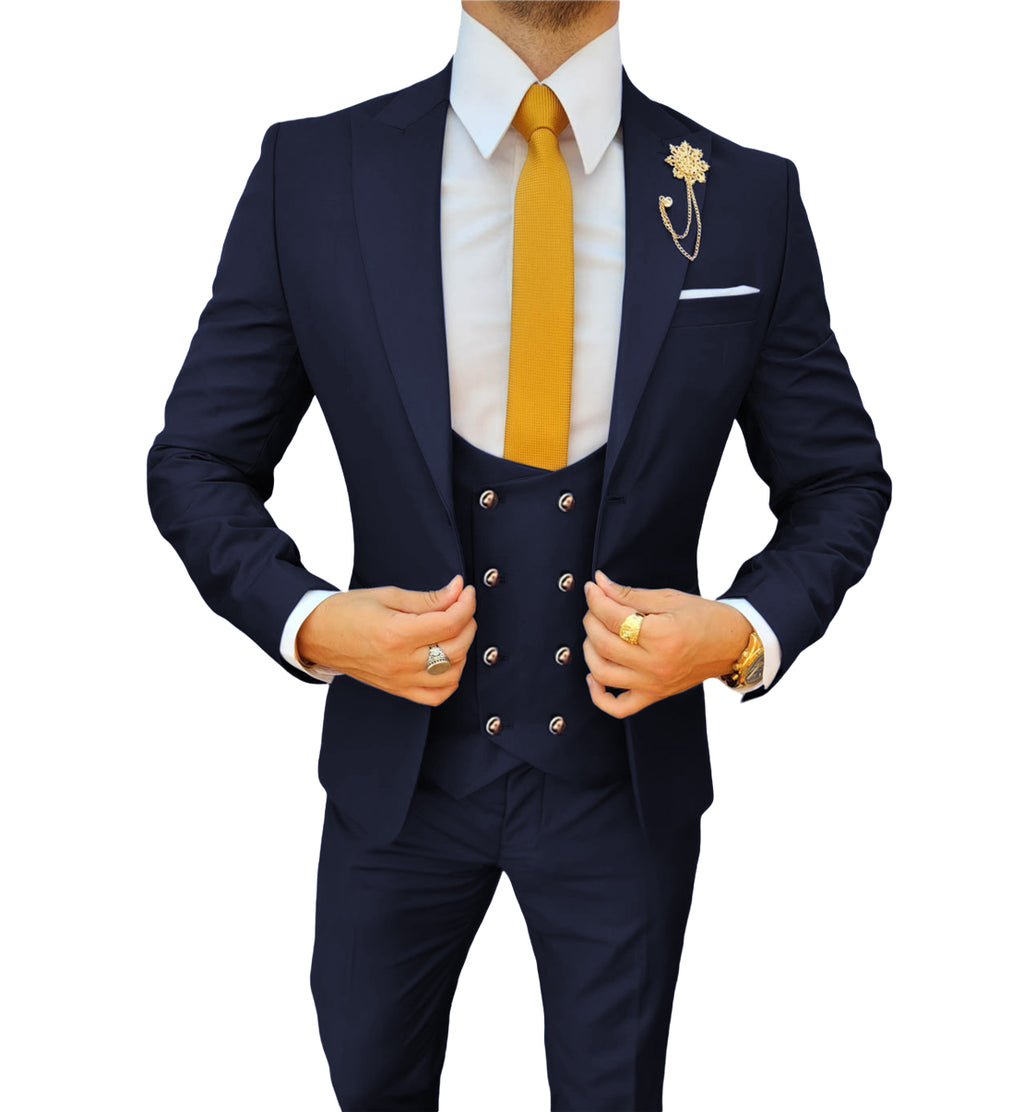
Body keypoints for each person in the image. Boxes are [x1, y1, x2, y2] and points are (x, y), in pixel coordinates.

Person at [147, 1, 891, 1107]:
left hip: (625, 784)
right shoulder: (314, 172)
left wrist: (741, 633)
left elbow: (838, 480)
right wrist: (310, 621)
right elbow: (198, 460)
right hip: (394, 783)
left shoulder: (746, 195)